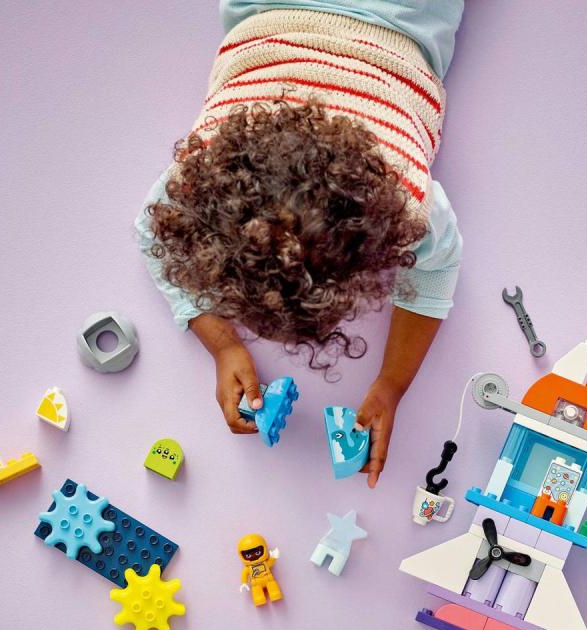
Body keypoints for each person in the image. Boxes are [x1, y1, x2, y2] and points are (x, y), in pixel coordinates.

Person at [137, 1, 466, 487]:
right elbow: (151, 229)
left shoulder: (403, 198)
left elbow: (438, 269)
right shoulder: (200, 169)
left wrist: (393, 383)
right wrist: (224, 345)